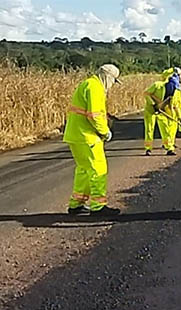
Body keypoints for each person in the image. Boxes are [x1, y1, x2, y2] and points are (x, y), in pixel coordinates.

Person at [63, 64, 122, 216]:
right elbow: (94, 115)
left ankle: (76, 204)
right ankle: (98, 206)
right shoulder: (95, 88)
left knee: (84, 170)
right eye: (113, 81)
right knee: (98, 169)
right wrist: (105, 132)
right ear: (107, 77)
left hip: (75, 135)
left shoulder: (87, 84)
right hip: (87, 136)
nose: (112, 85)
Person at [144, 70, 181, 156]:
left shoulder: (175, 93)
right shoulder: (158, 85)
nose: (174, 89)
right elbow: (146, 94)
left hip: (162, 111)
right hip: (151, 110)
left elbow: (175, 106)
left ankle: (169, 148)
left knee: (165, 129)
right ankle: (148, 149)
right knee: (149, 129)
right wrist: (153, 104)